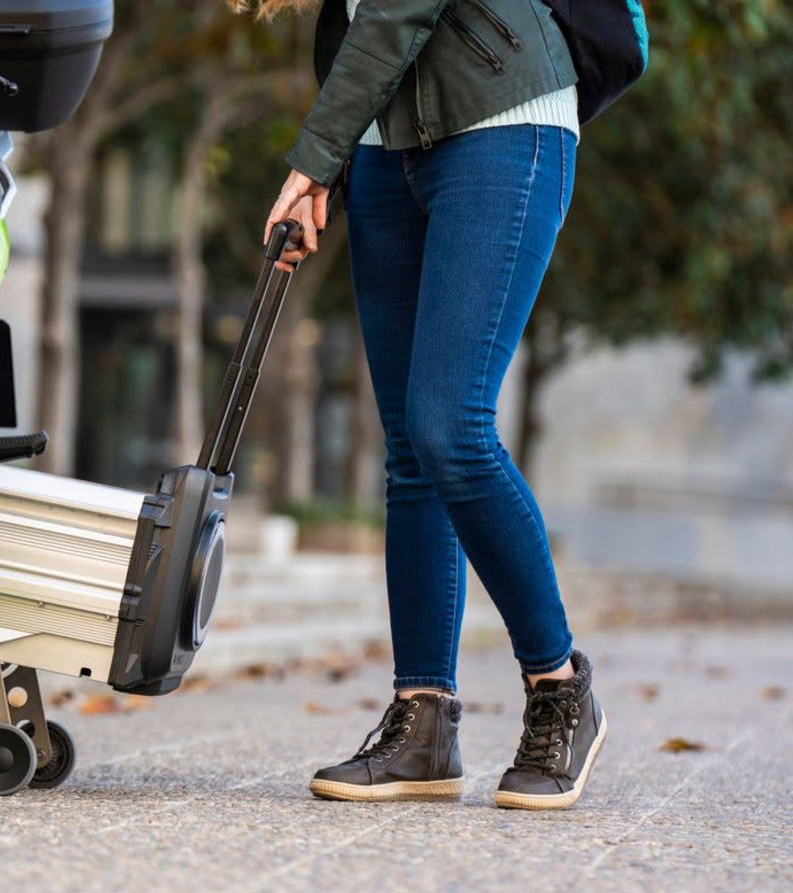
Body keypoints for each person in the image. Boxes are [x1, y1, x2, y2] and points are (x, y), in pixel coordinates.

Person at [257, 0, 607, 809]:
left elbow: (400, 7)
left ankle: (560, 687)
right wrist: (339, 166)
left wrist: (311, 161)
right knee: (412, 454)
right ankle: (425, 723)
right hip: (386, 150)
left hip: (503, 121)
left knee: (452, 426)